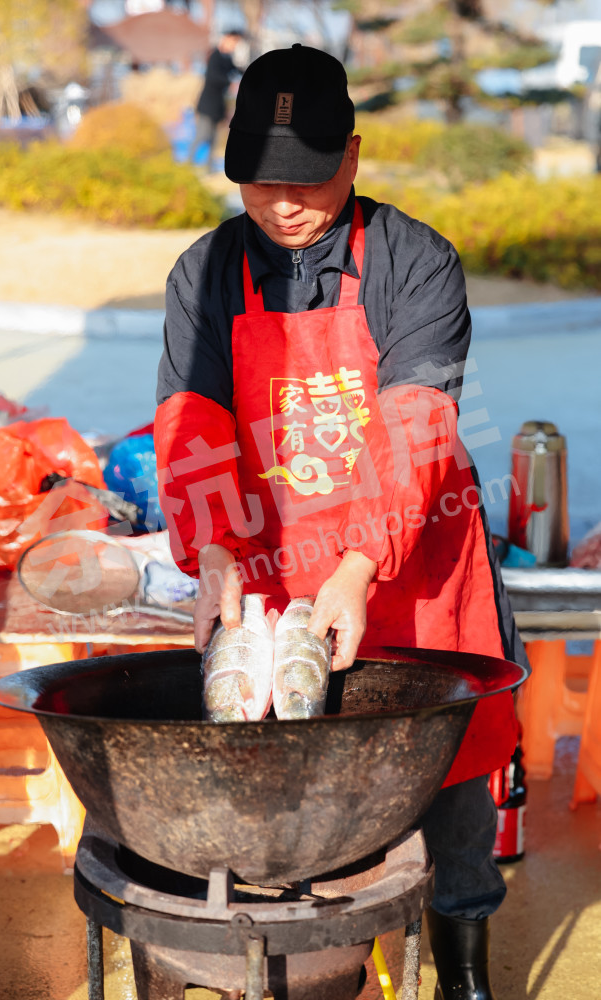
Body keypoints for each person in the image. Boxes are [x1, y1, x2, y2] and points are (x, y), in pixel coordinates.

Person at [155, 43, 529, 1000]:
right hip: (276, 576)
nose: (284, 201)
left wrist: (363, 564)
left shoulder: (415, 260)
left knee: (452, 789)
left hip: (415, 562)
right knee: (301, 787)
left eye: (309, 179)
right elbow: (192, 426)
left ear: (353, 156)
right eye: (259, 179)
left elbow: (415, 420)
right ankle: (318, 961)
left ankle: (463, 976)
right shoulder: (205, 274)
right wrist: (218, 564)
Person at [189, 29, 245, 171]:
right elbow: (213, 77)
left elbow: (236, 70)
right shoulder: (215, 56)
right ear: (227, 39)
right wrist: (230, 83)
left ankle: (209, 168)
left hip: (218, 105)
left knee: (214, 138)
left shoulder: (226, 58)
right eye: (234, 41)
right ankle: (188, 165)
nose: (235, 45)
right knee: (202, 135)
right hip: (208, 105)